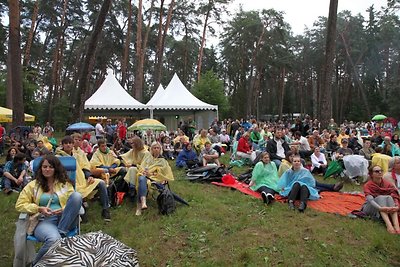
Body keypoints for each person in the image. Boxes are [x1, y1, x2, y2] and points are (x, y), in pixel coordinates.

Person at [15, 155, 82, 265]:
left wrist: (63, 209)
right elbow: (19, 205)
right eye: (44, 166)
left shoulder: (65, 184)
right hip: (44, 221)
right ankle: (36, 264)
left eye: (51, 167)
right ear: (40, 168)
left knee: (77, 196)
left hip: (66, 219)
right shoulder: (33, 185)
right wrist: (39, 208)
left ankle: (61, 232)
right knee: (54, 240)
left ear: (56, 168)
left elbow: (73, 202)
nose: (47, 169)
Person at [57, 135, 111, 221]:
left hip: (82, 181)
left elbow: (85, 166)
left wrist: (89, 176)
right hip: (68, 184)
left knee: (101, 183)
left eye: (70, 143)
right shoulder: (58, 157)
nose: (68, 145)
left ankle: (105, 209)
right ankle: (80, 209)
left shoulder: (77, 155)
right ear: (62, 145)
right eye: (66, 143)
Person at [135, 142, 174, 215]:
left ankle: (139, 207)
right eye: (154, 148)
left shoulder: (163, 160)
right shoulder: (147, 157)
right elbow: (142, 166)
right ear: (151, 149)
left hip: (156, 178)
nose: (156, 149)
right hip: (145, 176)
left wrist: (151, 174)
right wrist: (144, 172)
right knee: (142, 179)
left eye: (158, 148)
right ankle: (143, 202)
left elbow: (164, 173)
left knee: (142, 180)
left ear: (160, 149)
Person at [362, 165, 400, 234]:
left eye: (381, 170)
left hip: (385, 206)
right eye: (377, 171)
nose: (380, 172)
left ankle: (397, 226)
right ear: (371, 174)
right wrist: (380, 208)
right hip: (370, 207)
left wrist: (397, 206)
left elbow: (395, 195)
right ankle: (389, 225)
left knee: (389, 197)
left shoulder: (387, 183)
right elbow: (370, 200)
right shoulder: (368, 185)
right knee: (381, 197)